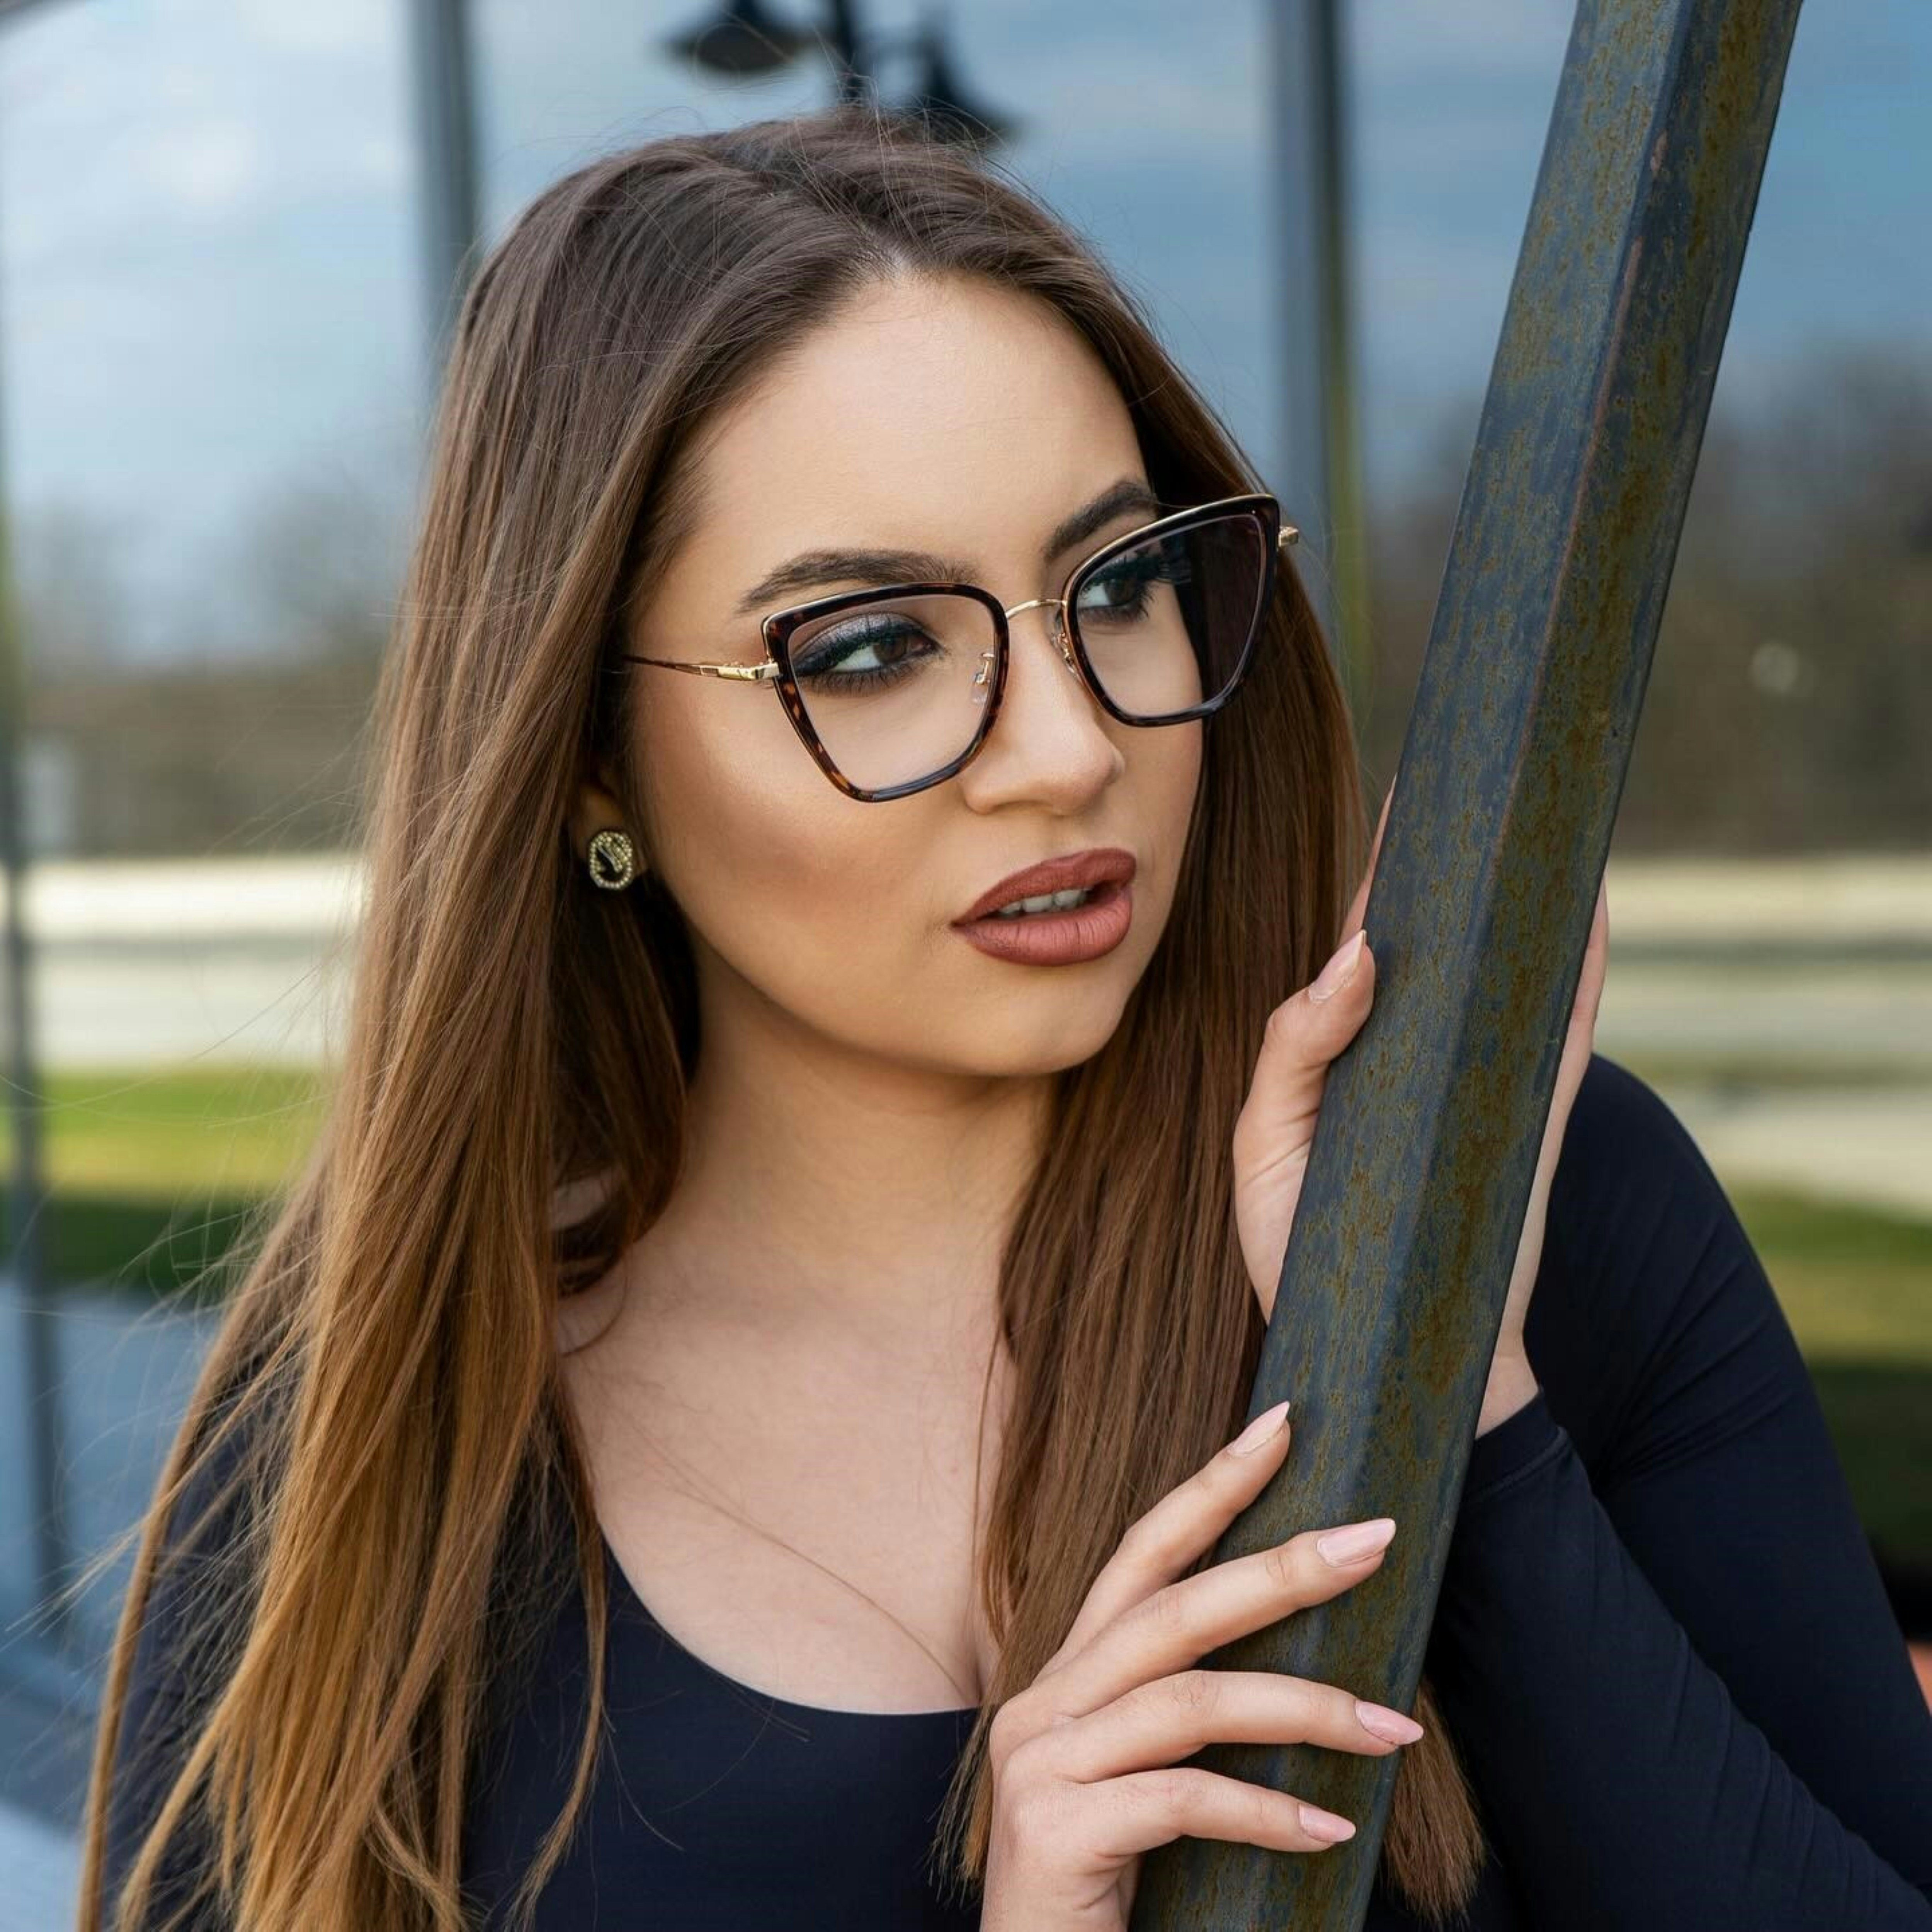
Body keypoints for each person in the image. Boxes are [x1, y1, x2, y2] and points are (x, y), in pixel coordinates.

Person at [81, 106, 1932, 1932]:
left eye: (1114, 585)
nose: (1071, 749)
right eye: (872, 648)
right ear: (584, 758)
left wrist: (1459, 1395)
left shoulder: (1543, 1207)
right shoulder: (391, 1414)